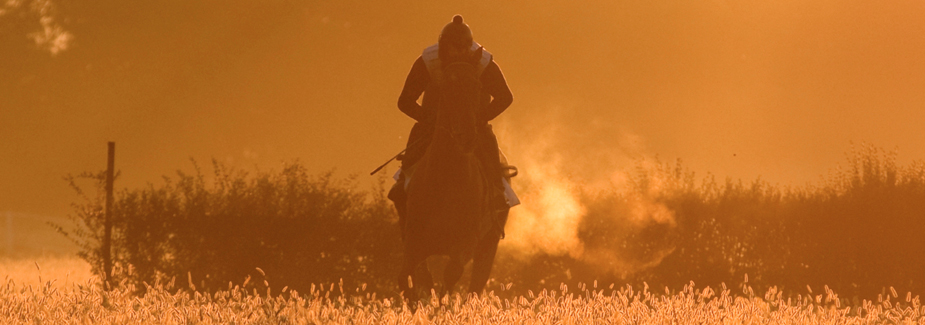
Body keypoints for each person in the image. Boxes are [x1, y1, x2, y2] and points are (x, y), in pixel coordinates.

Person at [389, 15, 514, 223]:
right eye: (455, 49)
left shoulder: (483, 64)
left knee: (488, 148)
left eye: (464, 48)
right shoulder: (427, 63)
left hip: (473, 125)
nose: (461, 53)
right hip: (433, 125)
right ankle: (403, 186)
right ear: (443, 48)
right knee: (413, 148)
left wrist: (479, 119)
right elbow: (404, 101)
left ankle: (496, 191)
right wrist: (428, 118)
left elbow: (505, 97)